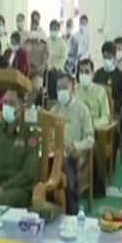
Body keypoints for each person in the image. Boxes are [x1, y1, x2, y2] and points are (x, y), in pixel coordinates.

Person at [0, 89, 42, 207]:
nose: (6, 107)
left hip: (19, 187)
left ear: (21, 106)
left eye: (11, 103)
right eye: (5, 102)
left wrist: (6, 187)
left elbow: (28, 173)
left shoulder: (30, 133)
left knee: (1, 197)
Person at [49, 73, 93, 214]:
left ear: (72, 88)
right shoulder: (54, 111)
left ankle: (72, 210)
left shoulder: (82, 110)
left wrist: (74, 146)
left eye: (64, 88)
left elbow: (90, 139)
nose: (61, 91)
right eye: (58, 88)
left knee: (64, 164)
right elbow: (47, 135)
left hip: (75, 155)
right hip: (54, 153)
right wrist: (50, 143)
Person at [94, 42, 122, 161]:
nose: (107, 60)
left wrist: (113, 107)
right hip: (99, 109)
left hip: (116, 109)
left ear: (114, 57)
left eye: (109, 57)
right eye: (105, 57)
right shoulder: (98, 74)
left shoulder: (120, 76)